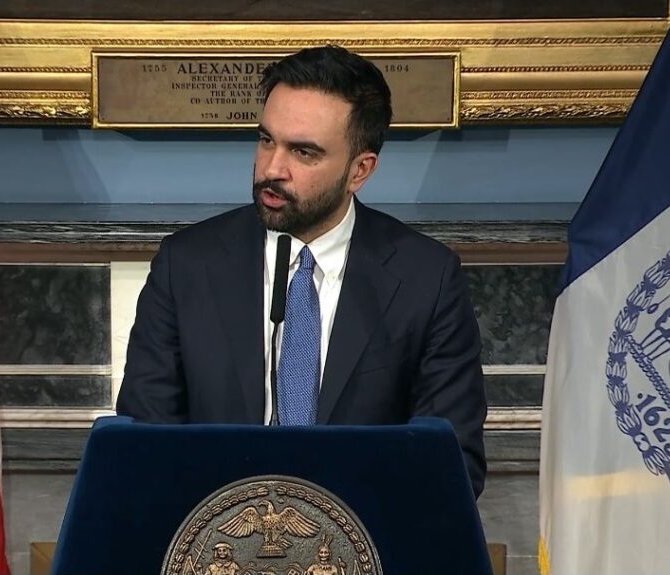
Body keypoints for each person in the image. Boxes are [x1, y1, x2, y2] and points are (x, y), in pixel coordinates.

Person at [116, 44, 487, 497]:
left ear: (360, 170)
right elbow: (143, 448)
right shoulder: (186, 265)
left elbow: (451, 465)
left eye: (304, 152)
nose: (272, 169)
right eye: (266, 140)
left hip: (363, 535)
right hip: (214, 532)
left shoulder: (427, 279)